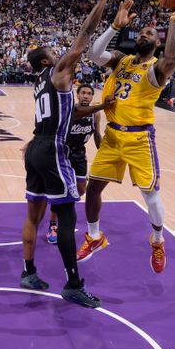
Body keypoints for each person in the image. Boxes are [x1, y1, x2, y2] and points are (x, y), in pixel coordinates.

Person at [21, 0, 121, 309]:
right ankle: (73, 283)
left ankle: (28, 271)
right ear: (49, 60)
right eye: (54, 51)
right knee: (66, 218)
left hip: (34, 148)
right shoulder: (59, 71)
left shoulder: (40, 85)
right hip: (52, 150)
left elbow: (72, 113)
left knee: (33, 214)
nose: (61, 53)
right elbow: (84, 34)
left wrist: (97, 108)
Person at [77, 0, 175, 274]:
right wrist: (115, 27)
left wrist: (174, 21)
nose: (144, 33)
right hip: (113, 136)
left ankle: (157, 240)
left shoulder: (156, 70)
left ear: (157, 42)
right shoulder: (123, 60)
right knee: (93, 188)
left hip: (139, 138)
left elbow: (172, 58)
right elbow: (93, 54)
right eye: (142, 30)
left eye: (150, 33)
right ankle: (94, 236)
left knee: (150, 194)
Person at [46, 84, 114, 245]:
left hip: (79, 155)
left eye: (89, 93)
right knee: (61, 191)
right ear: (77, 95)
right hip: (63, 154)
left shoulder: (95, 114)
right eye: (82, 93)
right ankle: (53, 224)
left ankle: (65, 208)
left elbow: (96, 134)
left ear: (92, 97)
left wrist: (103, 152)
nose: (85, 96)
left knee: (82, 189)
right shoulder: (70, 110)